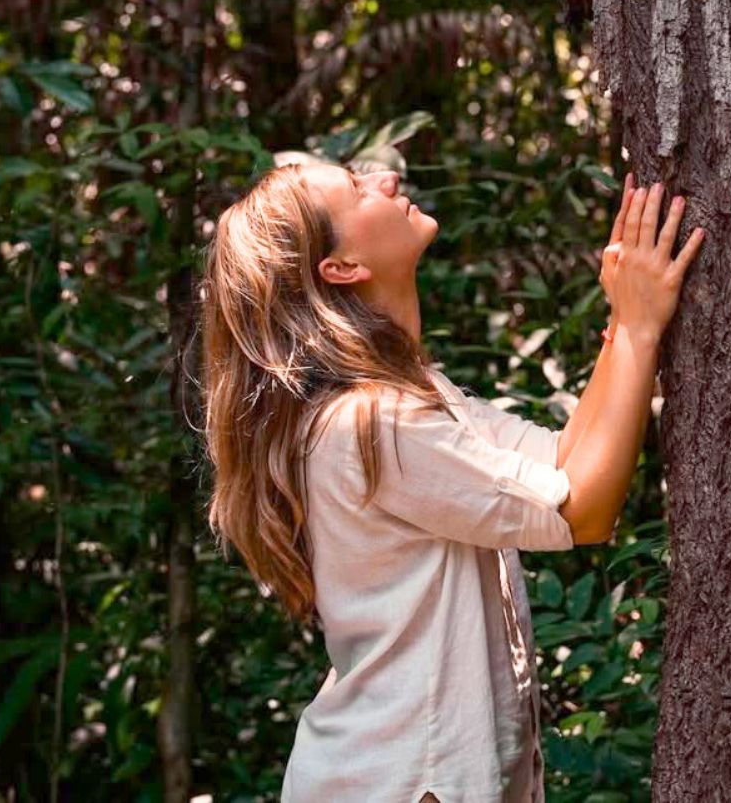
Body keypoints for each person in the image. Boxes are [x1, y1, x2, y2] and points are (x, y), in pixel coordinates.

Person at [199, 161, 705, 802]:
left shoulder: (406, 397)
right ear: (342, 267)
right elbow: (582, 511)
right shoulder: (370, 421)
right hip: (403, 777)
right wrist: (636, 326)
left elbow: (558, 467)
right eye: (358, 189)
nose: (383, 178)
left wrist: (625, 319)